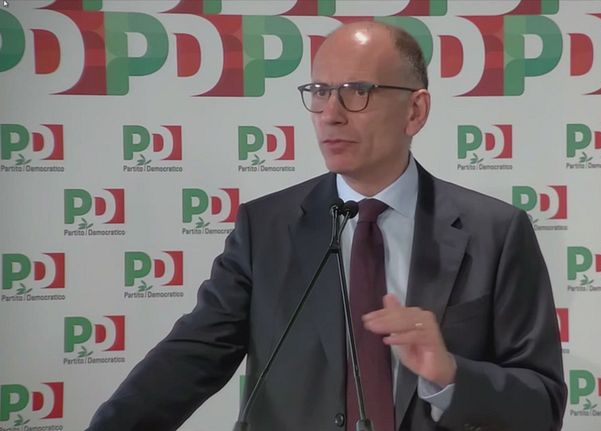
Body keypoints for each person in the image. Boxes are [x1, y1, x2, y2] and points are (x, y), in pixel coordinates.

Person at [88, 21, 565, 431]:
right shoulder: (265, 228)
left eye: (358, 92)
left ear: (415, 110)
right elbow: (190, 357)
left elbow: (542, 405)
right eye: (319, 92)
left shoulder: (496, 232)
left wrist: (451, 375)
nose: (331, 115)